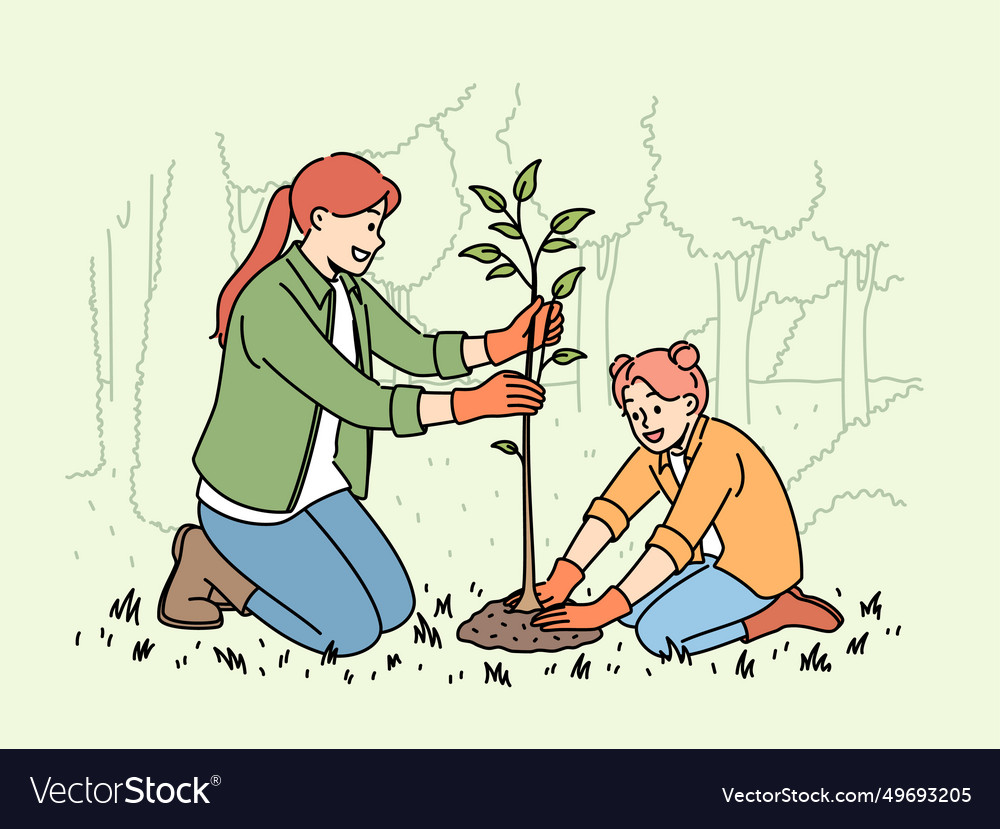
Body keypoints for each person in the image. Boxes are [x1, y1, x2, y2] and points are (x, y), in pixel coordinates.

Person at [158, 152, 562, 657]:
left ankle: (235, 565)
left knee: (394, 608)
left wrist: (503, 343)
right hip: (253, 507)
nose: (377, 240)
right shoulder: (270, 304)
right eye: (368, 226)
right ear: (320, 220)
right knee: (349, 634)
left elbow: (415, 350)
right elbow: (360, 401)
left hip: (317, 486)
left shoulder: (348, 289)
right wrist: (470, 404)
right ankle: (212, 566)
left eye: (379, 227)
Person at [518, 341, 842, 657]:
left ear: (689, 403)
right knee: (629, 615)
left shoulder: (719, 451)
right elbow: (611, 509)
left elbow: (676, 539)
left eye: (656, 407)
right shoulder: (656, 451)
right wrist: (565, 576)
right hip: (709, 560)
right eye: (634, 414)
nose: (645, 422)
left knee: (656, 635)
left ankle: (775, 613)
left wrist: (603, 608)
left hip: (753, 571)